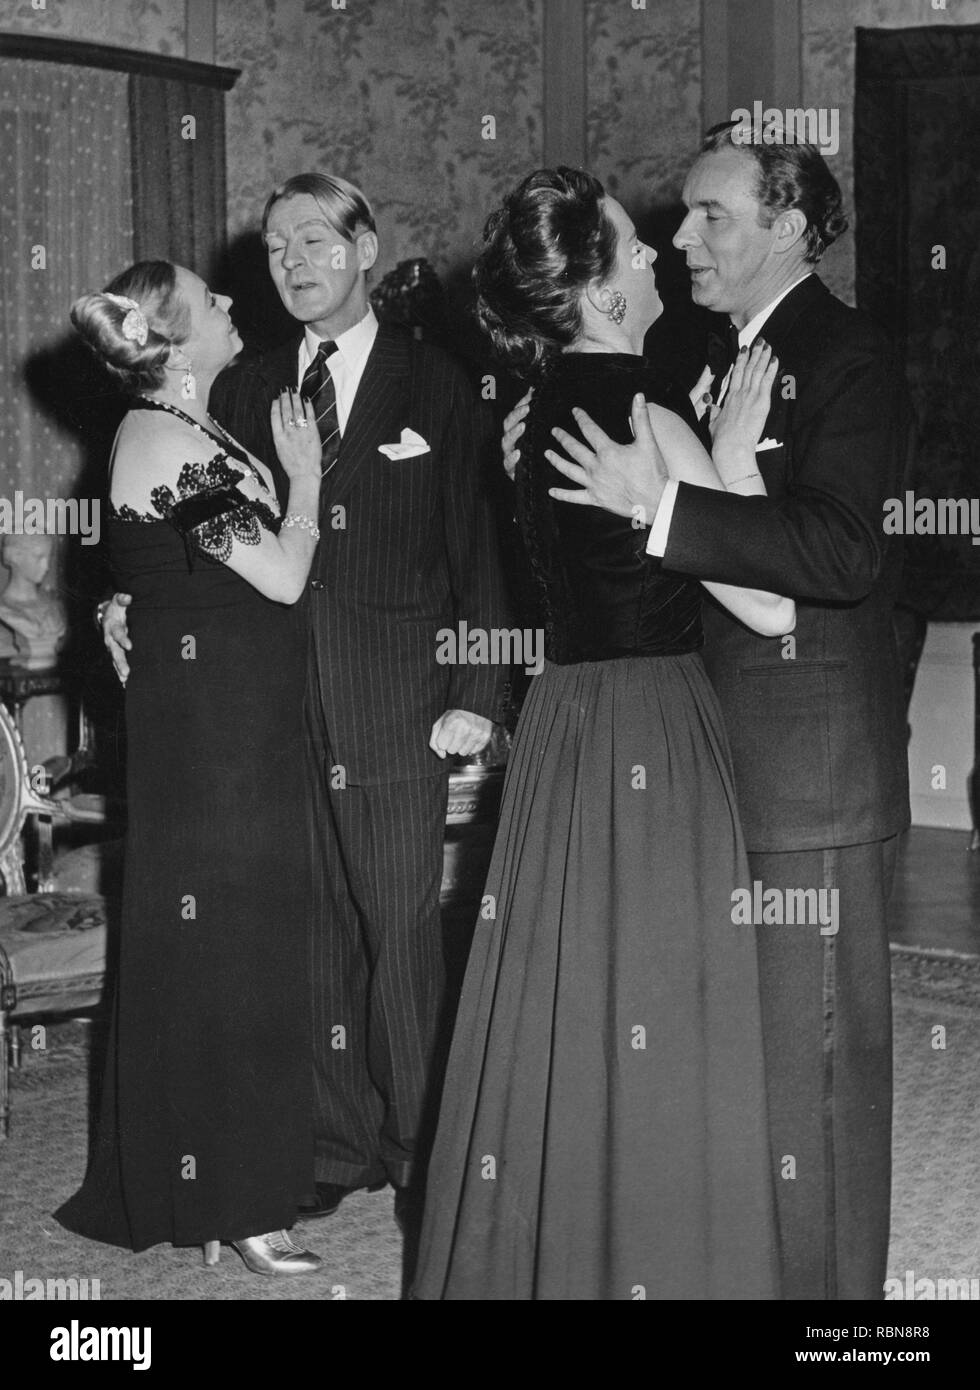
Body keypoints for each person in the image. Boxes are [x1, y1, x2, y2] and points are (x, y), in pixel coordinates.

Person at [510, 125, 909, 1300]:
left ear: (787, 225)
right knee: (738, 1073)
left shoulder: (848, 358)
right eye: (674, 218)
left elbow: (838, 552)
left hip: (806, 766)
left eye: (710, 215)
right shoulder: (689, 352)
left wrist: (668, 506)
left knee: (817, 1069)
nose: (680, 233)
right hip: (697, 759)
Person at [412, 167, 795, 1300]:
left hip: (564, 727)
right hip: (656, 723)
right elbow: (769, 605)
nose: (652, 255)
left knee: (562, 996)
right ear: (598, 286)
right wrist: (726, 459)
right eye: (633, 247)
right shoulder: (648, 414)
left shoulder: (525, 423)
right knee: (664, 997)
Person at [102, 175, 510, 1223]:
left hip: (393, 703)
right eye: (275, 243)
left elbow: (482, 554)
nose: (291, 261)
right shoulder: (237, 383)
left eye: (315, 239)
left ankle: (424, 1148)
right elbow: (183, 527)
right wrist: (126, 599)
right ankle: (331, 1144)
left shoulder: (440, 382)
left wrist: (475, 690)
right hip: (268, 718)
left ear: (365, 247)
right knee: (311, 936)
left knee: (401, 931)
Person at [56, 259, 326, 1275]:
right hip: (211, 739)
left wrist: (125, 605)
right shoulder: (164, 440)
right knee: (229, 959)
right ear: (173, 342)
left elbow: (173, 575)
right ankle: (234, 1202)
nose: (227, 304)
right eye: (209, 300)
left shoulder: (193, 431)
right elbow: (281, 571)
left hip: (233, 723)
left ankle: (222, 1188)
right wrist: (305, 482)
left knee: (242, 949)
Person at [0, 533, 67, 668]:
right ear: (16, 557)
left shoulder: (55, 608)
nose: (47, 566)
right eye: (39, 557)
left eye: (49, 557)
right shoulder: (4, 611)